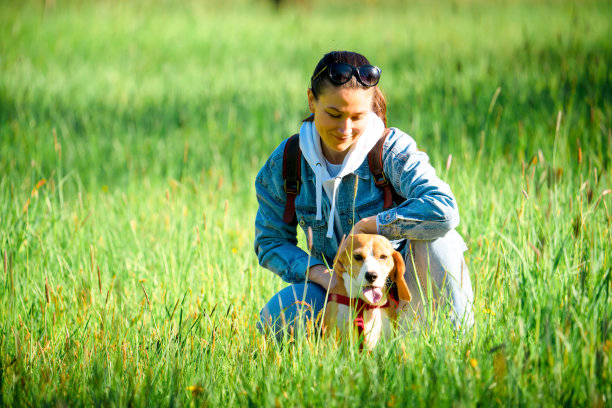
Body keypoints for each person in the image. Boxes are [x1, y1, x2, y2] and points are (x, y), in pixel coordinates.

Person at [254, 51, 474, 339]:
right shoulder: (288, 161)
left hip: (401, 293)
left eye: (357, 117)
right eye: (334, 114)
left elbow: (443, 209)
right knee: (278, 318)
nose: (345, 129)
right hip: (339, 293)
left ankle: (456, 347)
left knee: (441, 239)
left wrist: (375, 225)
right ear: (311, 100)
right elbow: (270, 241)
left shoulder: (392, 150)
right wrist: (322, 275)